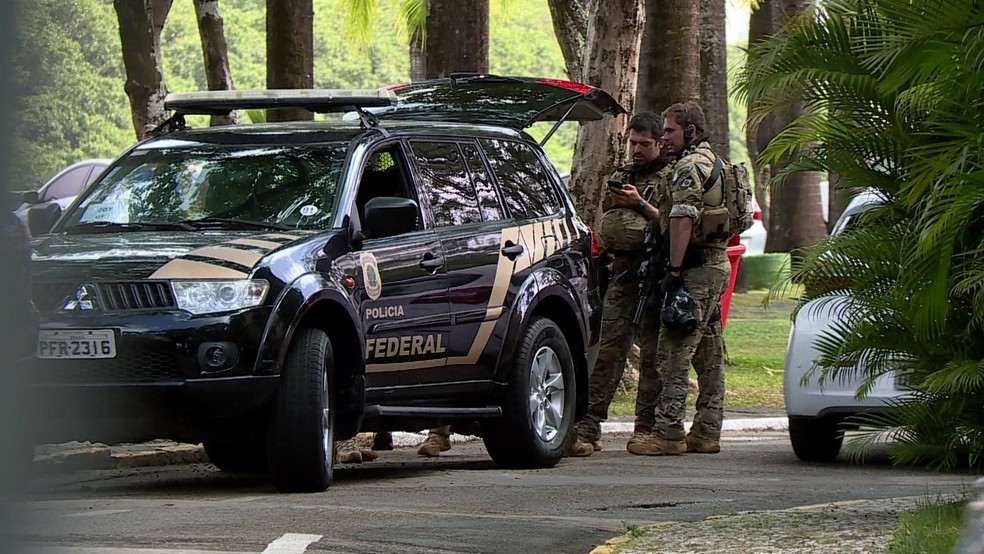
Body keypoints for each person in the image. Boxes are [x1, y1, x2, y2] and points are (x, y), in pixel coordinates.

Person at [627, 101, 731, 456]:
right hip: (716, 265)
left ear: (690, 131)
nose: (665, 137)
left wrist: (673, 269)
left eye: (669, 130)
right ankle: (706, 430)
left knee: (675, 347)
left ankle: (669, 432)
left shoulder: (688, 167)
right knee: (709, 350)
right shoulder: (717, 162)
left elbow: (683, 217)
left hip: (694, 268)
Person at [566, 111, 671, 457]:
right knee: (608, 348)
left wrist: (641, 205)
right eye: (633, 143)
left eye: (644, 144)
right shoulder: (621, 175)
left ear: (660, 143)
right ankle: (587, 425)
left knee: (654, 353)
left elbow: (676, 223)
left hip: (657, 271)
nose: (637, 150)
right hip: (622, 272)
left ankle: (646, 428)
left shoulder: (673, 175)